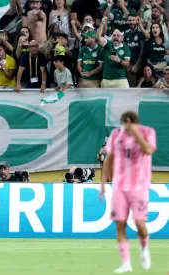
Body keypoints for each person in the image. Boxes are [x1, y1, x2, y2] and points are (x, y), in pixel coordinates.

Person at [98, 111, 156, 273]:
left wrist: (135, 133)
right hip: (119, 186)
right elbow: (109, 158)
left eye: (128, 124)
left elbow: (148, 150)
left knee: (139, 224)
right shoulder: (116, 134)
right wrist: (103, 183)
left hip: (139, 186)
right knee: (120, 224)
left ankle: (144, 250)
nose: (126, 128)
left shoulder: (147, 132)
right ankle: (126, 263)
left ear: (133, 122)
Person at [97, 17, 131, 88]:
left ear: (122, 38)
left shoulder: (125, 48)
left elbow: (127, 63)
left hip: (120, 80)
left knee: (121, 99)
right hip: (106, 80)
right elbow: (98, 38)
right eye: (114, 35)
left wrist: (119, 60)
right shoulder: (108, 44)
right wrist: (102, 24)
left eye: (118, 36)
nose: (115, 37)